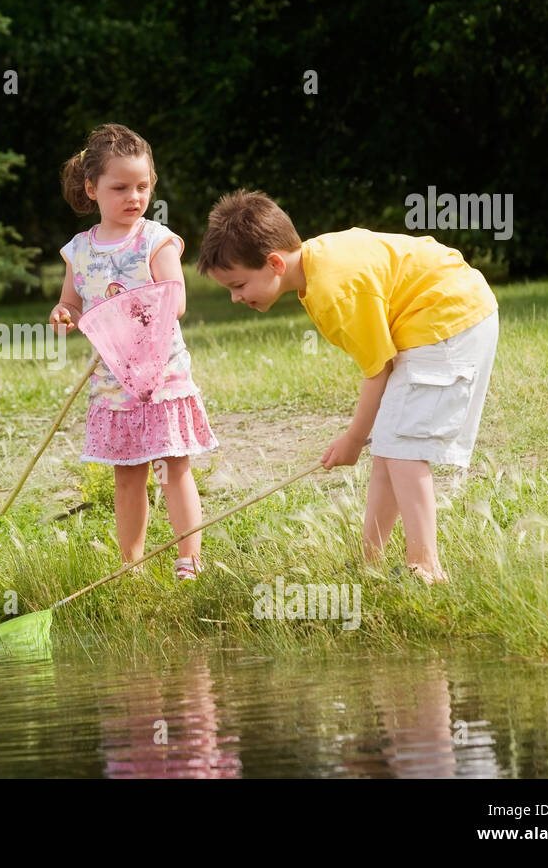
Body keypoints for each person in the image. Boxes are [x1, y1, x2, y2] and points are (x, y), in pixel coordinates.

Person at [197, 189, 498, 585]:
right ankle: (370, 561)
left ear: (273, 263)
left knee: (405, 449)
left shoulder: (334, 291)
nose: (236, 298)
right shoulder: (316, 264)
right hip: (440, 318)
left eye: (238, 285)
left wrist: (354, 439)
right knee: (391, 448)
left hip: (447, 322)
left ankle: (426, 568)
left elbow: (379, 368)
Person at [51, 124, 218, 580]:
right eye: (120, 187)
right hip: (112, 383)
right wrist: (64, 314)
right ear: (92, 189)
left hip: (159, 377)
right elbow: (72, 301)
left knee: (173, 467)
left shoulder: (154, 240)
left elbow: (176, 300)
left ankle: (189, 558)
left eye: (143, 186)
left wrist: (127, 312)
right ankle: (133, 564)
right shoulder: (80, 251)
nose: (134, 197)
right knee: (127, 475)